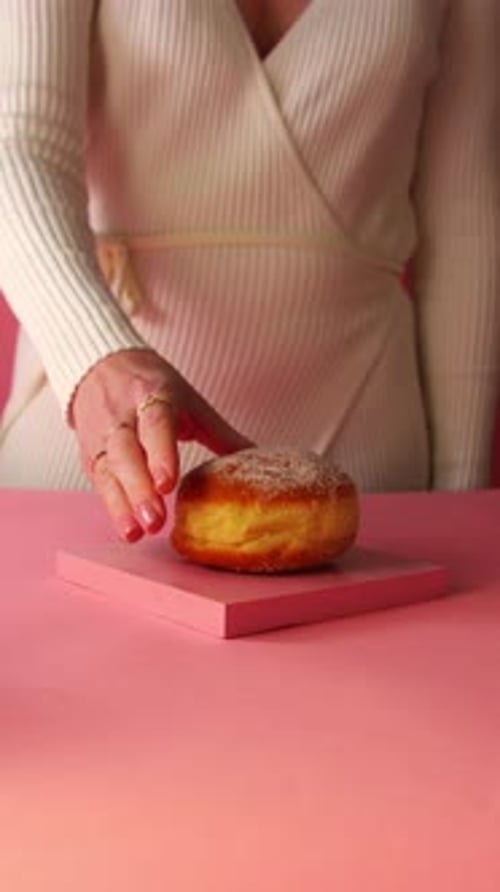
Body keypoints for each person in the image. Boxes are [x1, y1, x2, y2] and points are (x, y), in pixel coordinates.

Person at [0, 0, 498, 544]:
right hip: (89, 472)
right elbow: (18, 146)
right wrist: (94, 354)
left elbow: (465, 218)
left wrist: (462, 495)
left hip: (365, 488)